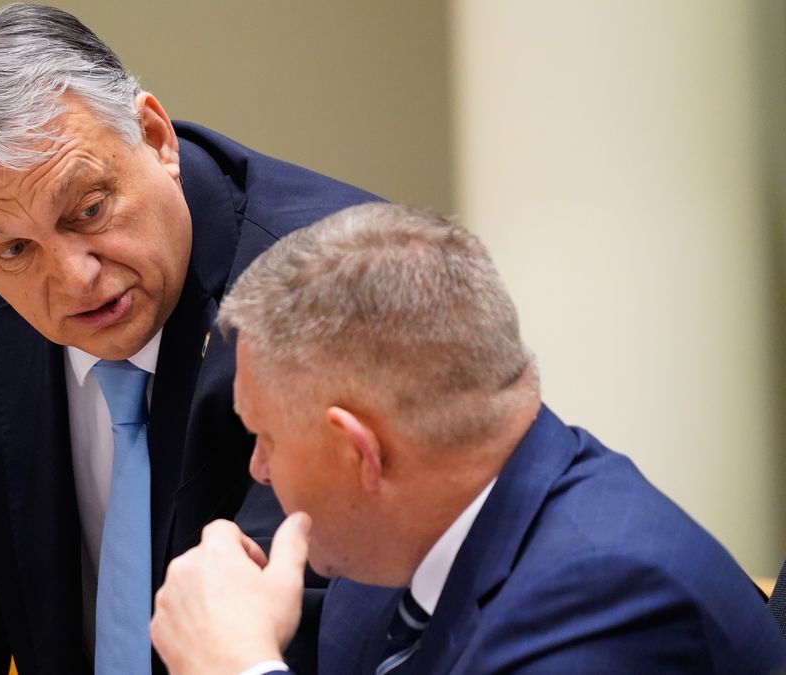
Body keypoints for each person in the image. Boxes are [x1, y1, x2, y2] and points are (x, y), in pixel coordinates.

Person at [0, 4, 380, 674]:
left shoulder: (328, 286)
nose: (74, 278)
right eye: (15, 248)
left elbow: (291, 628)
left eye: (90, 209)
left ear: (156, 136)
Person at [149, 202, 786, 674]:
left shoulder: (613, 601)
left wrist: (235, 666)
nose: (257, 468)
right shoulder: (388, 559)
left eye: (263, 436)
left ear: (357, 451)